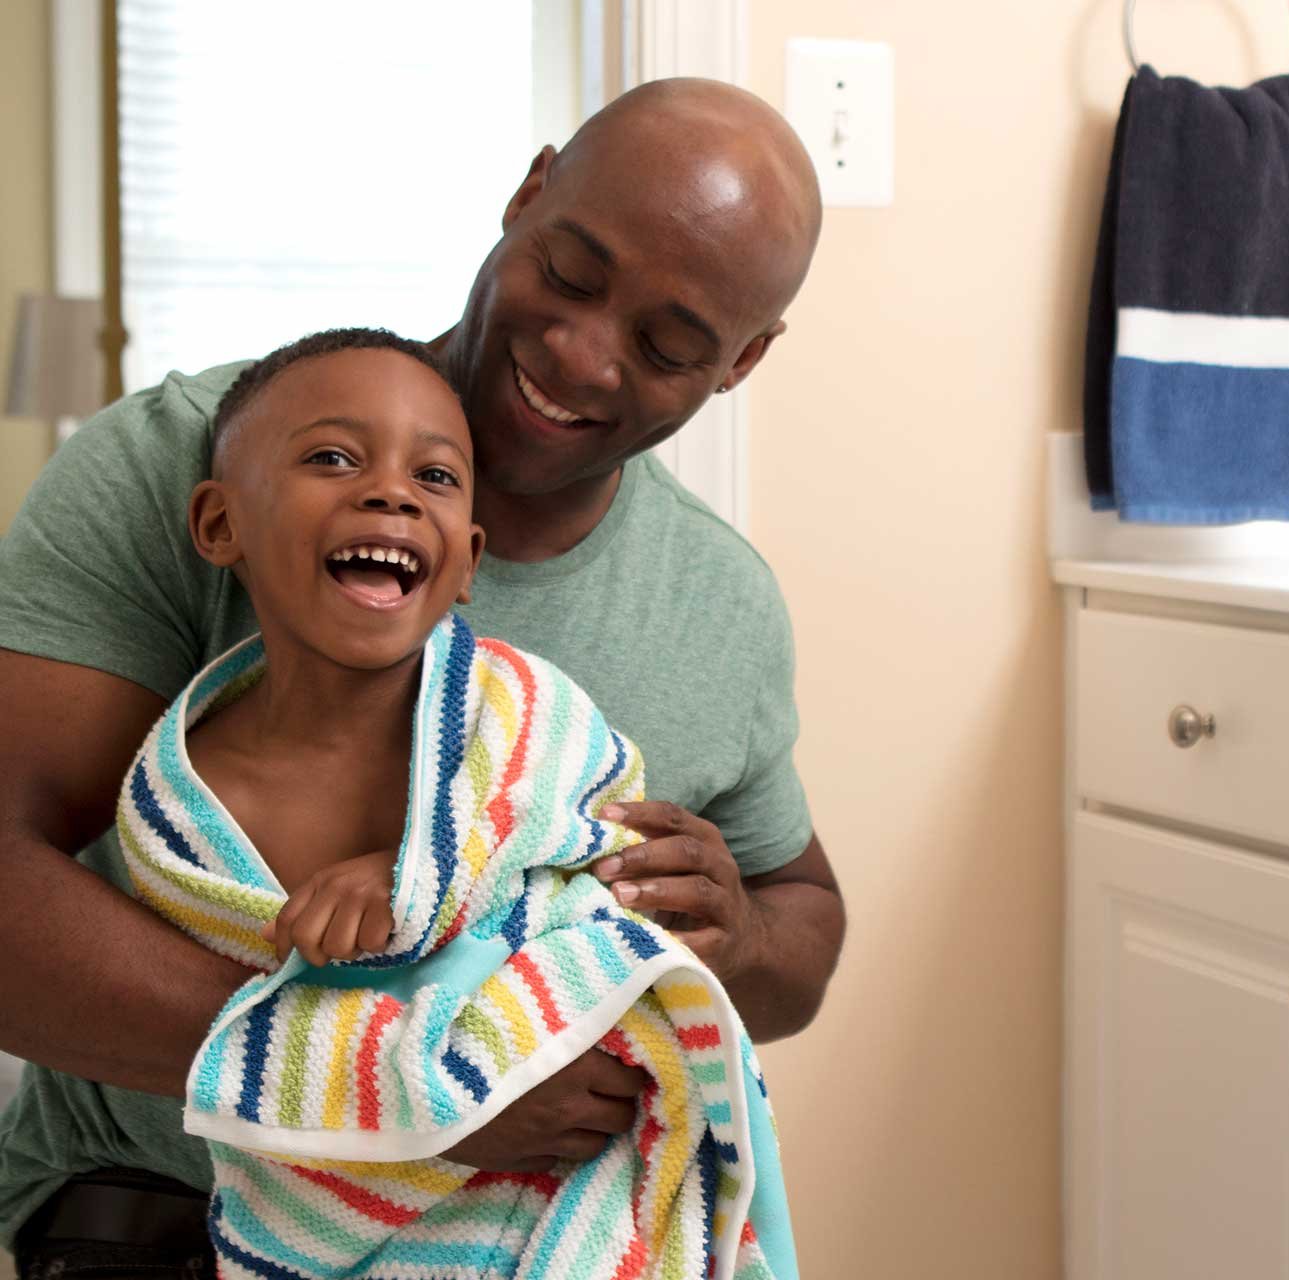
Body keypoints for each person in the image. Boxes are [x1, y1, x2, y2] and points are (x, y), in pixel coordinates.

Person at [0, 78, 843, 1269]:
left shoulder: (716, 603)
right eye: (571, 271)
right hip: (160, 1213)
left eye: (665, 345)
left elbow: (801, 913)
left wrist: (741, 941)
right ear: (529, 189)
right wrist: (407, 1089)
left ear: (743, 361)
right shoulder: (191, 461)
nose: (580, 353)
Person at [110, 326, 794, 1277]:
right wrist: (428, 1090)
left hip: (575, 1201)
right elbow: (243, 1026)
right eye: (332, 458)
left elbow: (597, 888)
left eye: (434, 477)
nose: (389, 489)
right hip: (351, 1227)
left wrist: (429, 877)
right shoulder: (181, 814)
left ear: (466, 562)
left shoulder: (522, 717)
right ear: (221, 524)